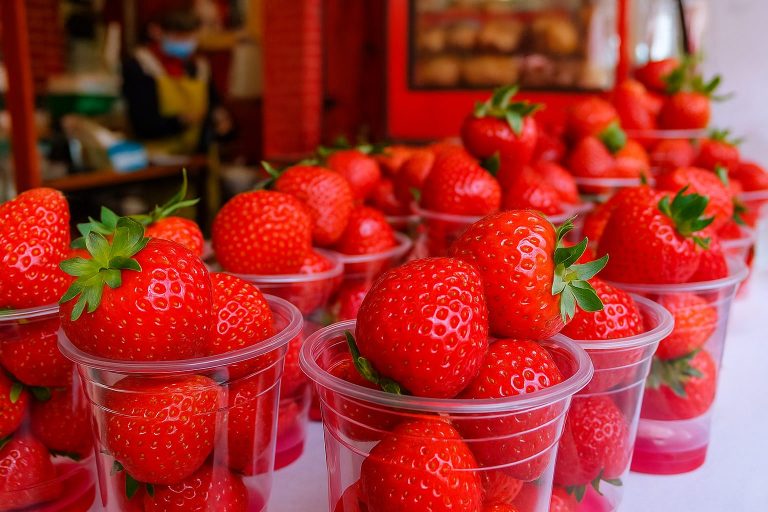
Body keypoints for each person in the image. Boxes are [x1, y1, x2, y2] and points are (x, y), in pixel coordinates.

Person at [122, 8, 233, 154]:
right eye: (179, 37)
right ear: (156, 32)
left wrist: (221, 119)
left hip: (196, 157)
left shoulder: (199, 66)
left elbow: (213, 104)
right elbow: (142, 122)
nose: (185, 43)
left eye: (190, 38)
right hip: (153, 156)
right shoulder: (141, 66)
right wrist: (181, 121)